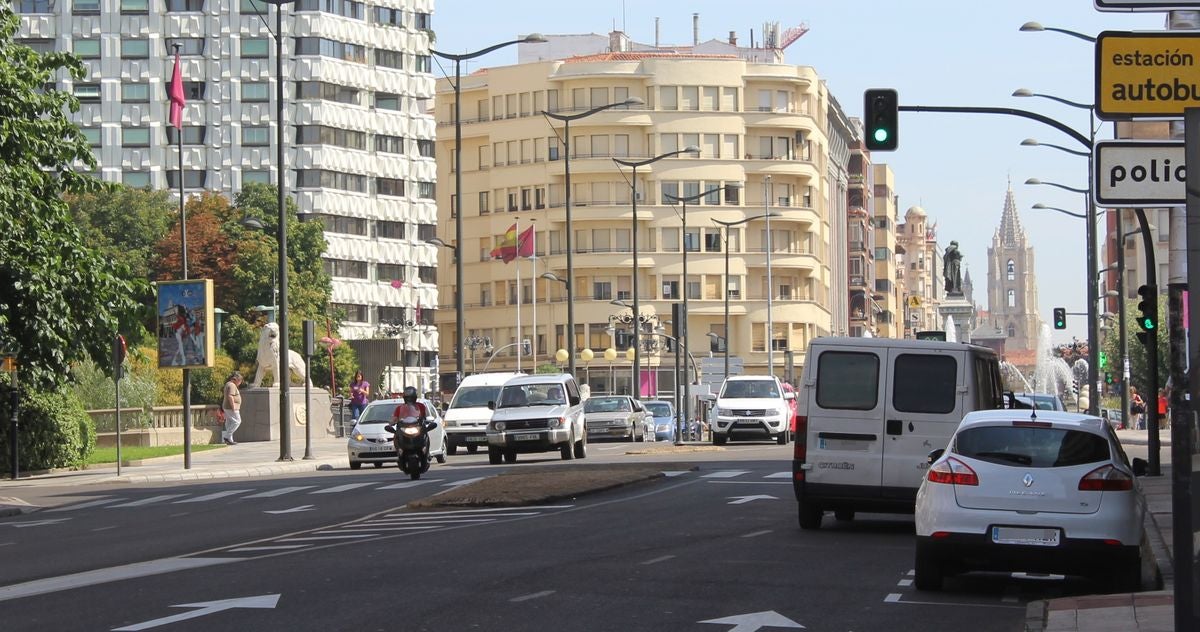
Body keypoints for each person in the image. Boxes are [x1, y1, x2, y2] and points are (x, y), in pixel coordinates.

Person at [221, 371, 243, 446]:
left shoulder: (228, 384)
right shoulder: (232, 385)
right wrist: (233, 406)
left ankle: (229, 440)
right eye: (239, 381)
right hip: (231, 407)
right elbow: (230, 396)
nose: (240, 383)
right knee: (237, 421)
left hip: (227, 407)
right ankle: (227, 437)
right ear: (235, 379)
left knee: (229, 423)